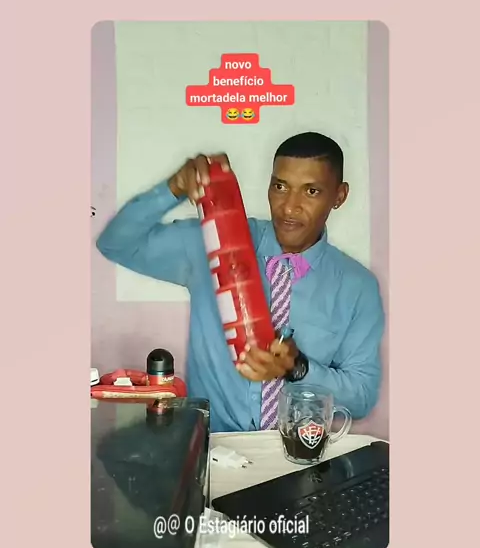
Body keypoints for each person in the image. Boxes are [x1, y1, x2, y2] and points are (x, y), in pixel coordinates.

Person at [96, 132, 385, 432]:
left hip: (300, 450)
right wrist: (172, 189)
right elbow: (114, 244)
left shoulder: (358, 287)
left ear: (339, 196)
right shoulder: (214, 240)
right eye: (280, 186)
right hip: (212, 446)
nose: (289, 207)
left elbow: (362, 397)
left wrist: (297, 367)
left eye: (311, 191)